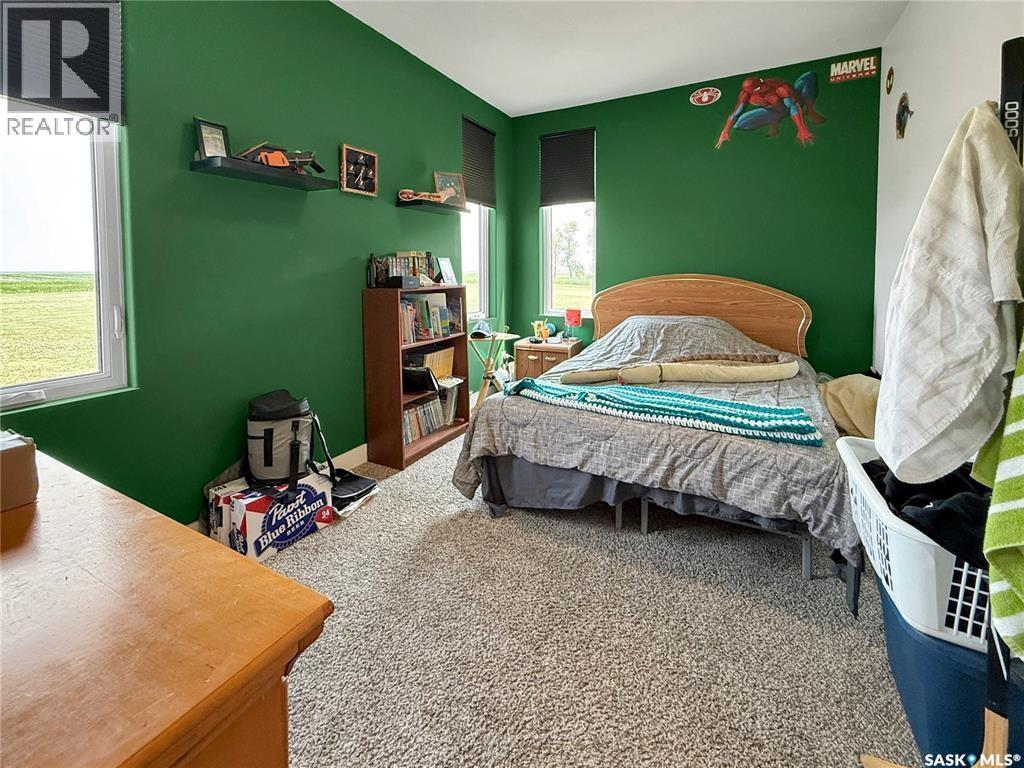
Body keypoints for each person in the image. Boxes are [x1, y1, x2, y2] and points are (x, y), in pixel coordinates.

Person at [715, 72, 825, 148]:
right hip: (775, 113)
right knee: (738, 124)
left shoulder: (779, 88)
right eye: (758, 88)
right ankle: (774, 123)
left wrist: (802, 129)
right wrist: (725, 131)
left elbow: (793, 106)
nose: (763, 87)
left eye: (762, 84)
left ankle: (810, 111)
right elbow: (736, 113)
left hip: (793, 103)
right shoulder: (747, 96)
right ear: (752, 92)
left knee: (809, 76)